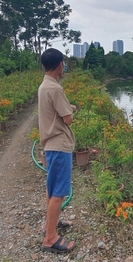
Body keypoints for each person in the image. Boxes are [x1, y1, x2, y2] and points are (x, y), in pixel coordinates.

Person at [38, 48, 76, 254]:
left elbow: (56, 110)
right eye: (64, 63)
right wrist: (70, 112)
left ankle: (51, 223)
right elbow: (67, 118)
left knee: (51, 189)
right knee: (60, 192)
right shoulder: (55, 88)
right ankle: (50, 238)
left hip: (50, 145)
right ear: (60, 64)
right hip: (59, 145)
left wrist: (69, 108)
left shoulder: (44, 86)